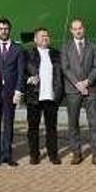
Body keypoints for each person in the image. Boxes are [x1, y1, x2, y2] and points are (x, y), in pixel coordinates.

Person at [60, 18, 96, 167]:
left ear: (83, 29)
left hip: (90, 89)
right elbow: (65, 68)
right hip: (73, 90)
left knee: (94, 123)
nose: (78, 31)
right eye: (75, 28)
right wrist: (78, 83)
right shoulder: (65, 47)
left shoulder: (93, 47)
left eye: (80, 28)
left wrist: (87, 82)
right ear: (71, 31)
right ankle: (76, 153)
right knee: (73, 123)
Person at [0, 17, 26, 167]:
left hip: (10, 93)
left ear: (9, 30)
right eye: (1, 29)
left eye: (6, 29)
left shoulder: (18, 49)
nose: (3, 31)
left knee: (9, 124)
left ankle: (7, 155)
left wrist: (18, 91)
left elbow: (21, 72)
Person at [25, 27, 63, 165]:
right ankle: (34, 155)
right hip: (34, 96)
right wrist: (27, 80)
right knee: (33, 128)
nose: (45, 38)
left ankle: (53, 154)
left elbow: (60, 76)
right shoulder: (28, 54)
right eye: (42, 36)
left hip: (51, 97)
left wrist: (59, 93)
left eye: (47, 35)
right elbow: (22, 72)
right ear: (35, 39)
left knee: (51, 128)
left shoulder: (56, 54)